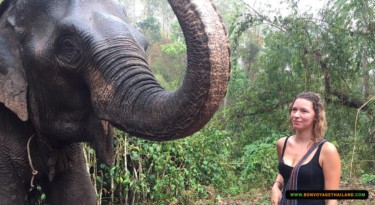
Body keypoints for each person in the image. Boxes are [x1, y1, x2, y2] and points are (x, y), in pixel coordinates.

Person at [271, 92, 341, 205]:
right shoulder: (282, 144)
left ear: (316, 116)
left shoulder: (327, 150)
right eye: (294, 110)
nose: (296, 115)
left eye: (304, 111)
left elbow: (331, 198)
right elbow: (285, 173)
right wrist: (276, 186)